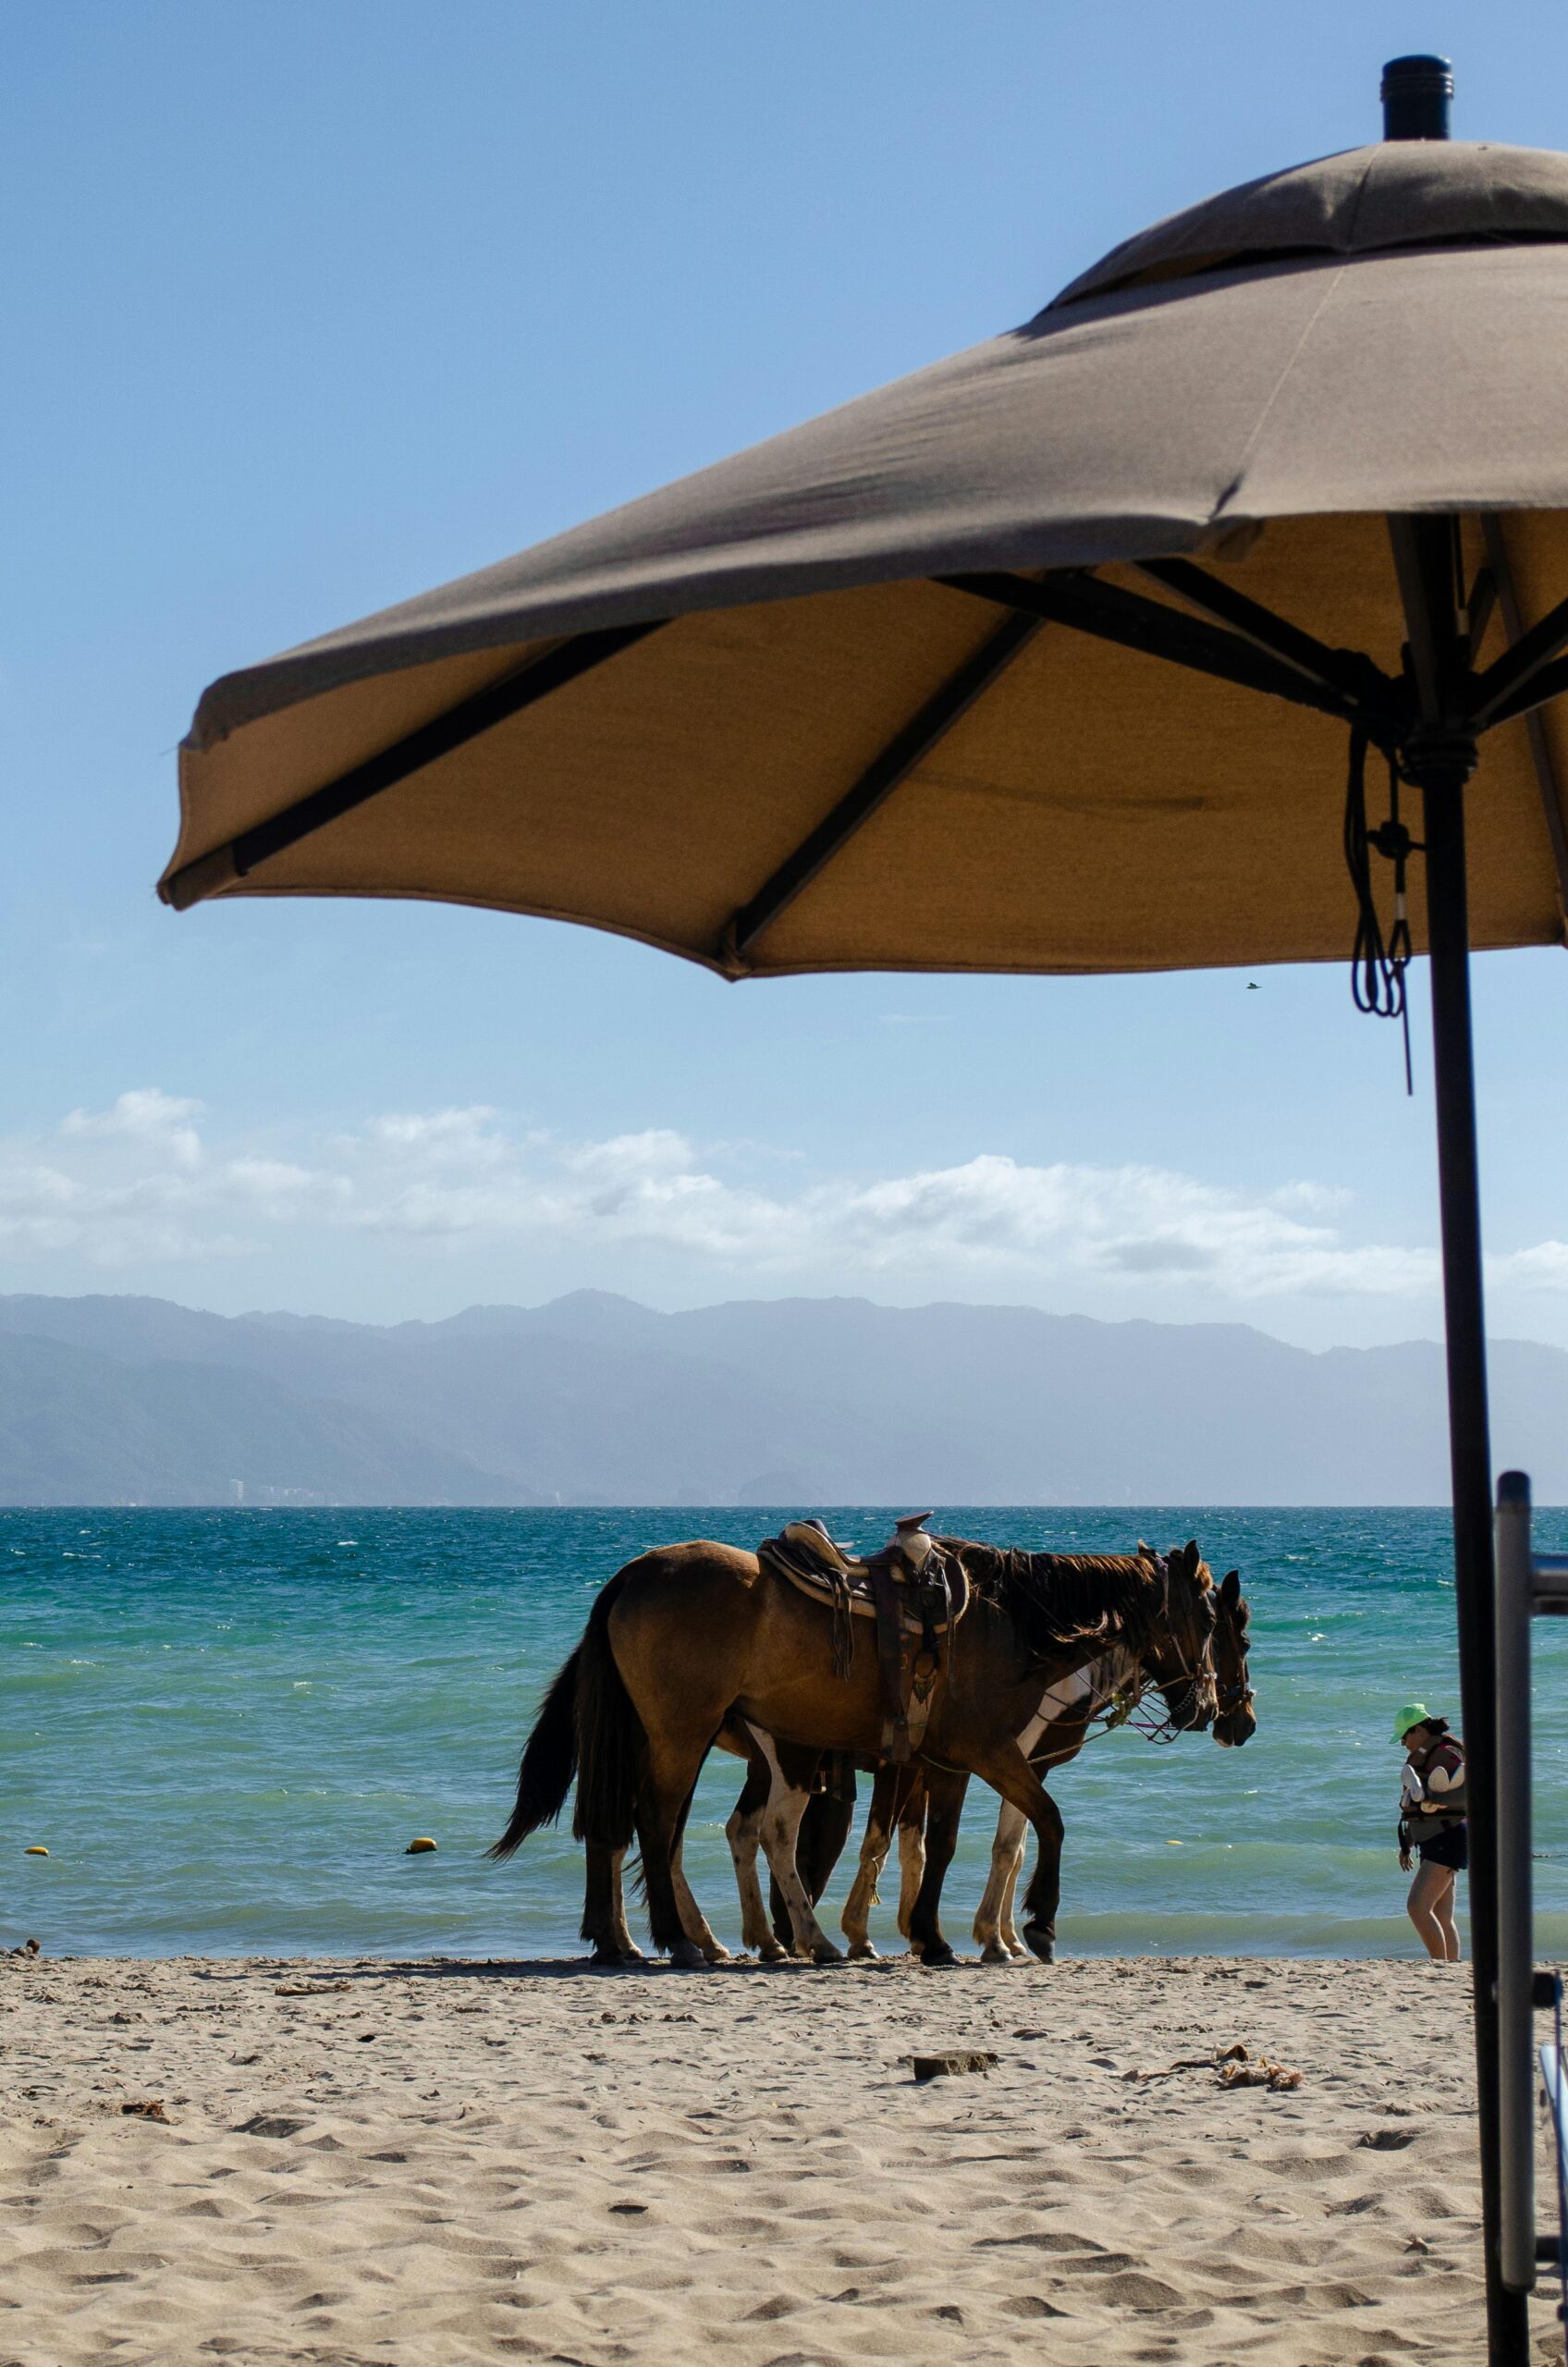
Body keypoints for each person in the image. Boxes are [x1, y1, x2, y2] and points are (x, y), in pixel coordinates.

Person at [1392, 1700, 1466, 1962]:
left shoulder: (1446, 1753)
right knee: (1442, 1915)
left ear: (1418, 1731)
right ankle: (1452, 1968)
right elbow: (1420, 1811)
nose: (1403, 1744)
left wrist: (1436, 1799)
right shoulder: (1428, 1753)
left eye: (1404, 1737)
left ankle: (1439, 1967)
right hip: (1439, 1838)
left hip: (1447, 1838)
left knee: (1417, 1907)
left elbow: (1473, 1795)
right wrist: (1408, 1843)